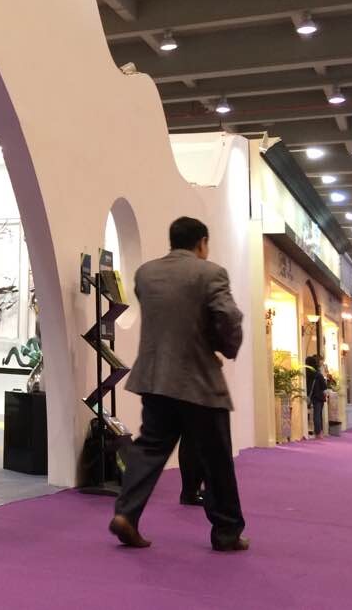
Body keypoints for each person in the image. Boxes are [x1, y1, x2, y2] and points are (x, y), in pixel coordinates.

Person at [109, 216, 247, 552]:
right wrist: (224, 347)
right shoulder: (210, 273)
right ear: (202, 243)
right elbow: (227, 316)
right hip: (198, 381)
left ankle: (126, 513)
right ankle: (226, 532)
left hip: (155, 378)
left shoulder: (145, 274)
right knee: (216, 458)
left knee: (149, 449)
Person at [305, 354, 327, 437]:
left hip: (310, 396)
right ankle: (318, 432)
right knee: (317, 415)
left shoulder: (306, 373)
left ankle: (315, 431)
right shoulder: (317, 373)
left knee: (313, 415)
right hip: (318, 397)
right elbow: (324, 386)